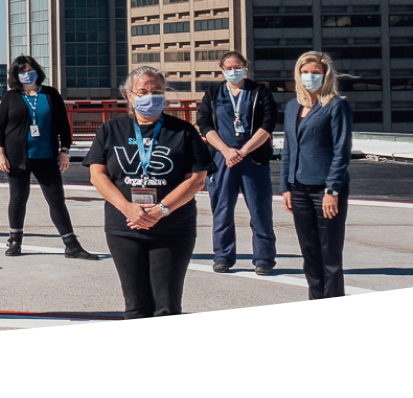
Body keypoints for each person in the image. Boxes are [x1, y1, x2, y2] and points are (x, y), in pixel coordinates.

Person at [84, 66, 212, 320]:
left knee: (167, 307)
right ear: (129, 96)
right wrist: (127, 207)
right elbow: (97, 176)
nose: (150, 96)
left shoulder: (184, 131)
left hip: (172, 228)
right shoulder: (111, 130)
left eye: (157, 91)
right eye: (142, 91)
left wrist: (161, 209)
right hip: (125, 229)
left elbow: (197, 179)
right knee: (136, 307)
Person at [0, 55, 97, 259]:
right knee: (18, 199)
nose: (26, 74)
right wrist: (0, 154)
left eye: (30, 70)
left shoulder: (50, 94)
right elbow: (0, 128)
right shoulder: (11, 96)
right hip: (17, 157)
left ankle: (72, 245)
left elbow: (63, 126)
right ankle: (15, 241)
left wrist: (64, 151)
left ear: (37, 71)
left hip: (46, 156)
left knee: (56, 200)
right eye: (22, 71)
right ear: (15, 75)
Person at [197, 51, 280, 275]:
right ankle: (223, 255)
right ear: (222, 70)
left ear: (245, 67)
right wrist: (226, 151)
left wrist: (243, 151)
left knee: (260, 210)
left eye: (238, 66)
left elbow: (268, 123)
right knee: (222, 210)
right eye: (229, 67)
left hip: (253, 158)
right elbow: (204, 123)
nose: (234, 71)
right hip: (222, 159)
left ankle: (264, 258)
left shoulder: (259, 92)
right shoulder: (213, 94)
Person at [280, 51, 353, 301]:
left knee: (330, 254)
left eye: (315, 73)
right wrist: (285, 187)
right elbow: (288, 148)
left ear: (326, 75)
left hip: (326, 190)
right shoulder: (292, 107)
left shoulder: (335, 105)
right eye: (305, 72)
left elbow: (341, 152)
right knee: (309, 253)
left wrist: (332, 190)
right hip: (298, 188)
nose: (309, 77)